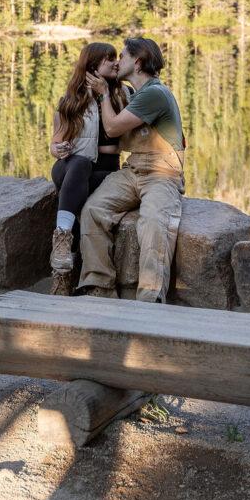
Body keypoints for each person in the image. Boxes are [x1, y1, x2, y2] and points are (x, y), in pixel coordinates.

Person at [79, 37, 185, 303]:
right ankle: (99, 287)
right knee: (93, 210)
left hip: (162, 172)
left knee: (153, 223)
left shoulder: (155, 93)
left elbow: (113, 128)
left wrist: (104, 93)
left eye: (122, 56)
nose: (117, 62)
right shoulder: (136, 94)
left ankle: (149, 300)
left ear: (137, 62)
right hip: (134, 168)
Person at [49, 42, 130, 294]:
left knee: (79, 198)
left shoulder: (124, 96)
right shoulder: (70, 101)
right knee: (81, 163)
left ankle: (62, 276)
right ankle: (62, 239)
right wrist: (60, 149)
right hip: (70, 167)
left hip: (104, 173)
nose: (116, 63)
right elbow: (55, 143)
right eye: (110, 59)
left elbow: (121, 142)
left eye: (117, 58)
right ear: (93, 66)